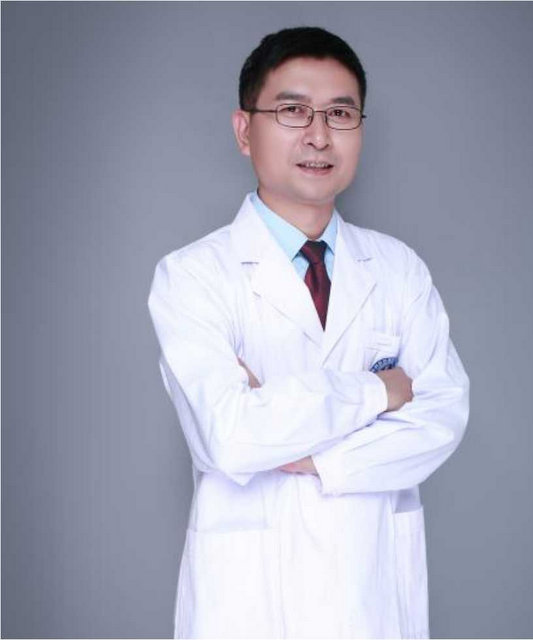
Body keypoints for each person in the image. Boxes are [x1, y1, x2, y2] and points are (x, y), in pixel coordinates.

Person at [148, 26, 469, 640]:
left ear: (360, 129)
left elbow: (441, 419)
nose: (319, 135)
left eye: (340, 114)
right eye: (292, 111)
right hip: (246, 606)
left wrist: (311, 456)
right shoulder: (193, 276)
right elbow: (232, 437)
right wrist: (379, 392)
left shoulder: (399, 270)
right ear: (244, 130)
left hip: (371, 600)